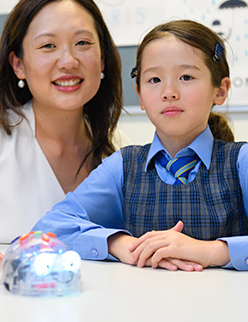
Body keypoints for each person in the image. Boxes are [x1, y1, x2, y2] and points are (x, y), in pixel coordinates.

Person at [33, 19, 248, 271]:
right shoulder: (122, 167)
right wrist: (118, 244)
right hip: (141, 307)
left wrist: (211, 251)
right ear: (140, 95)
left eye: (186, 77)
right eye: (154, 80)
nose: (168, 92)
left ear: (220, 91)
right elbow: (48, 229)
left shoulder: (240, 162)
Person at [0, 0, 129, 274]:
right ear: (18, 65)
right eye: (48, 46)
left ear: (102, 58)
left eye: (83, 43)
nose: (68, 61)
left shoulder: (117, 147)